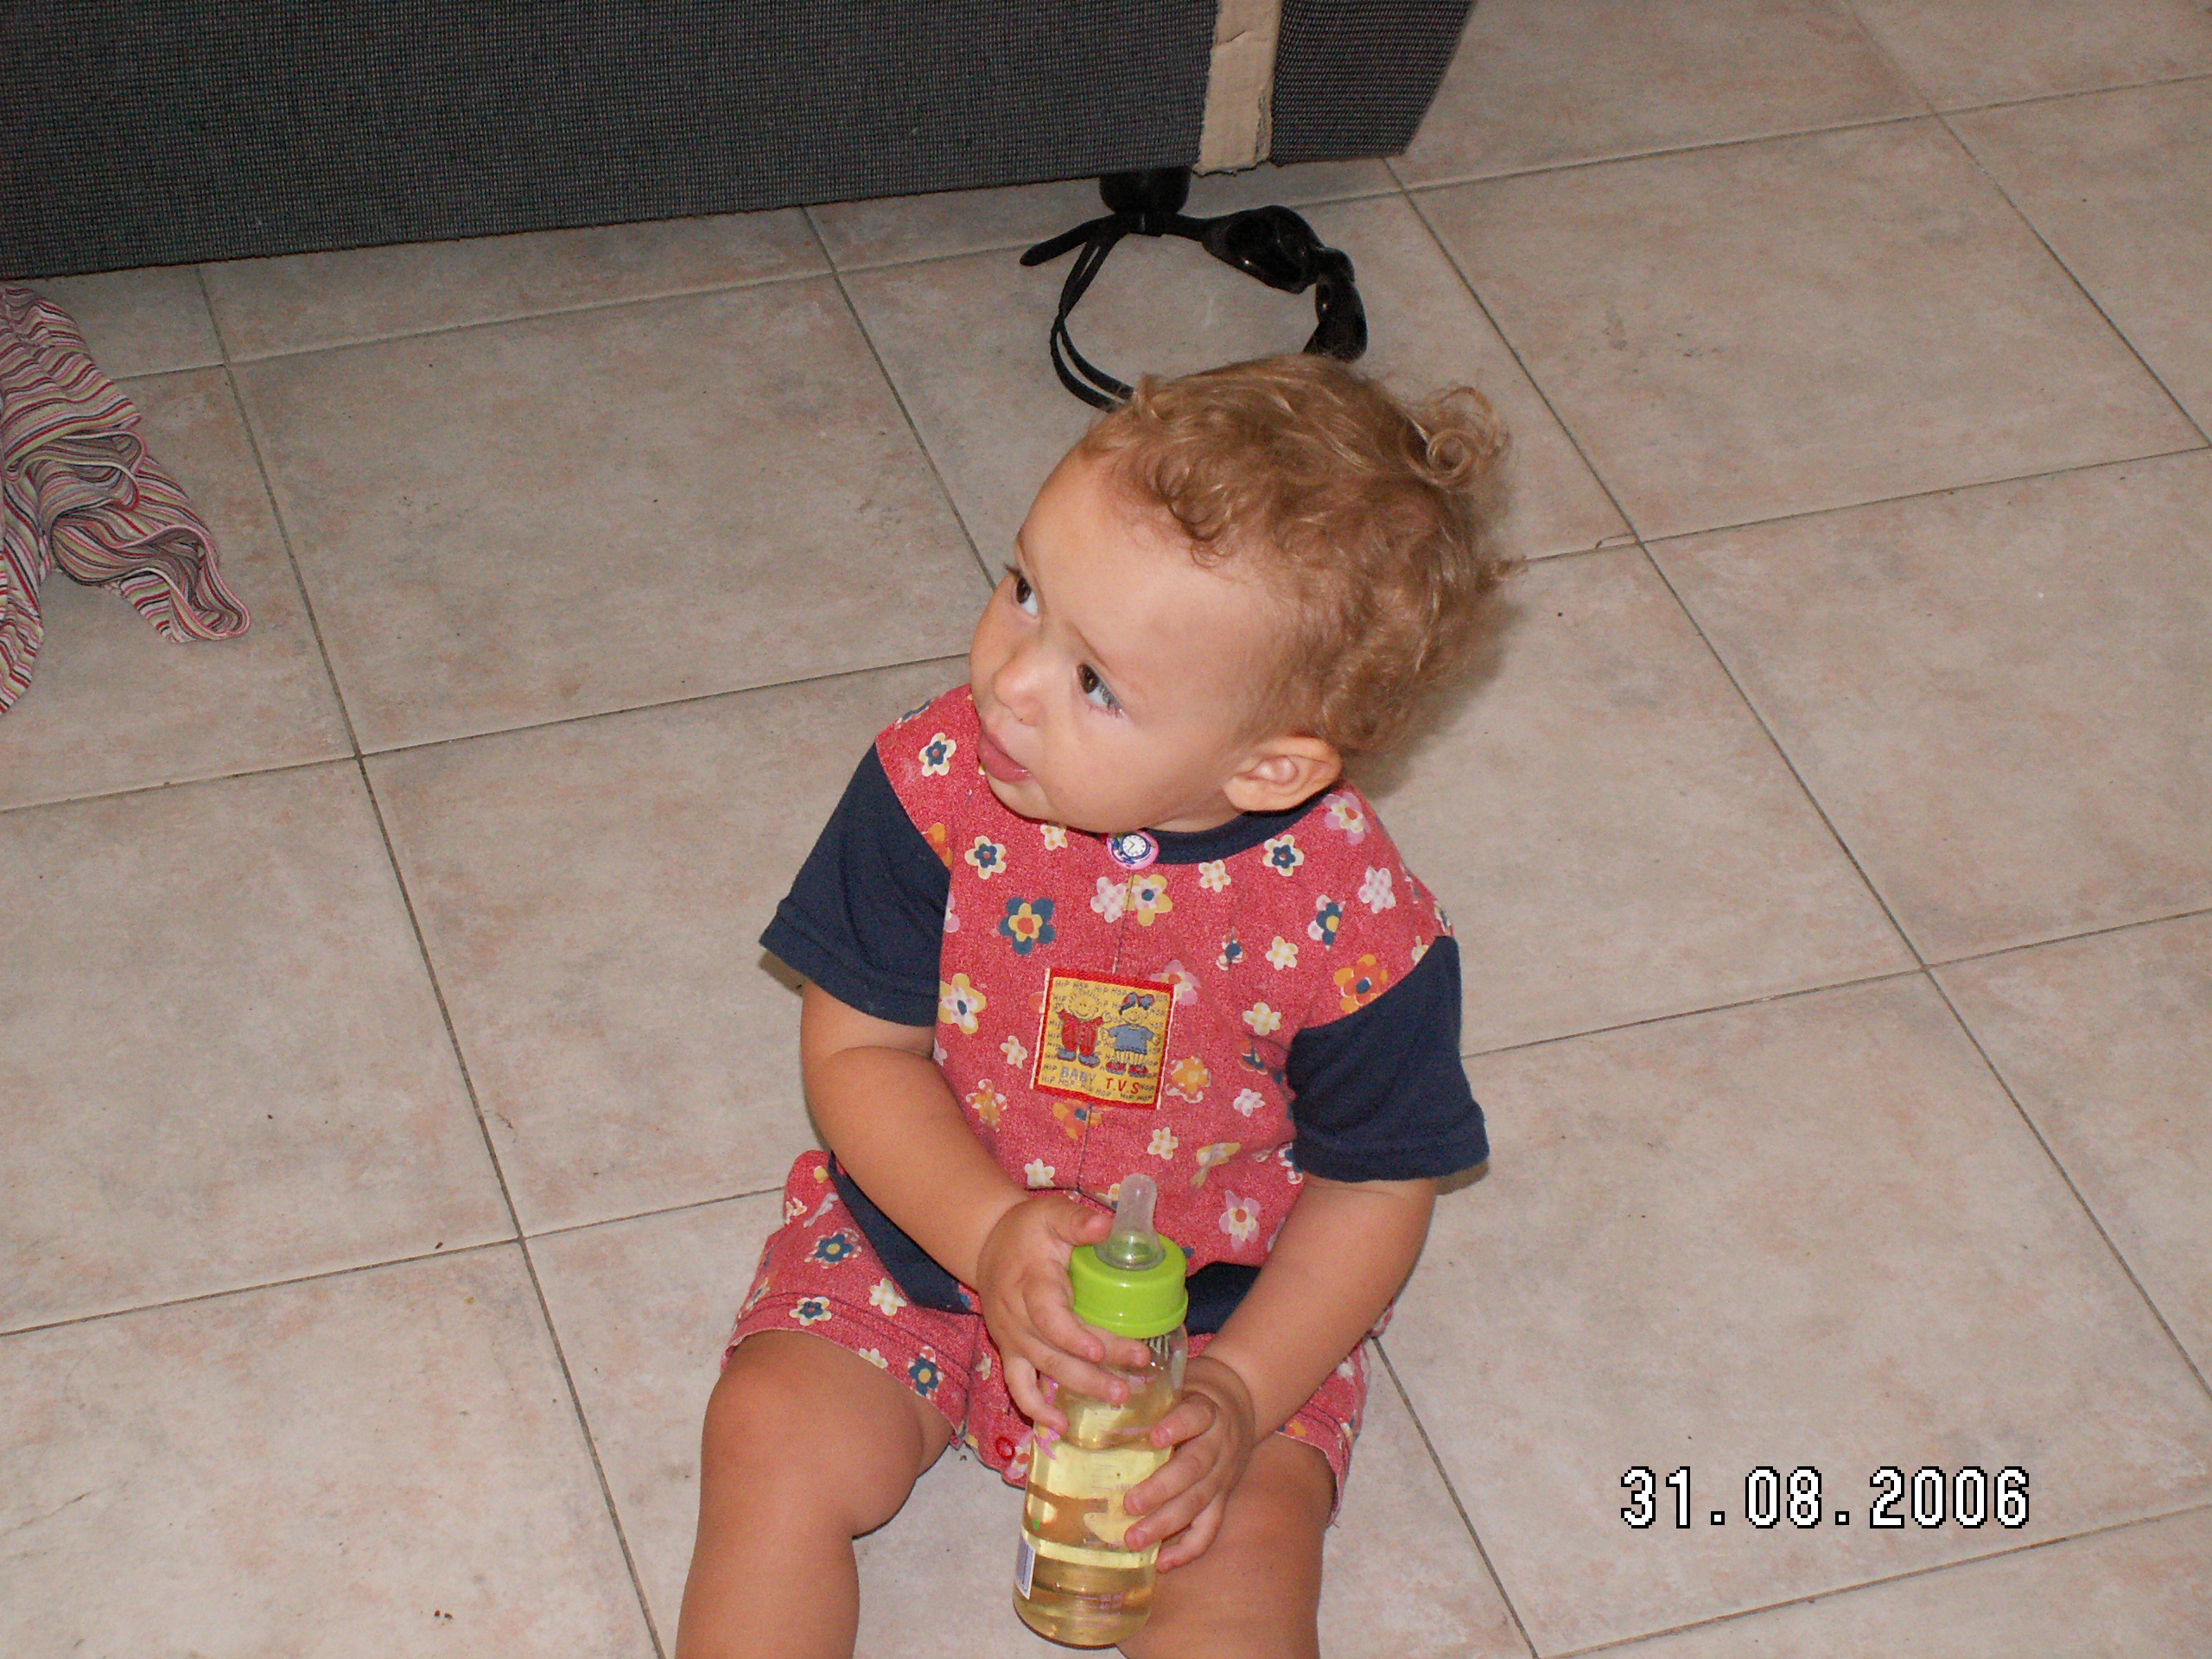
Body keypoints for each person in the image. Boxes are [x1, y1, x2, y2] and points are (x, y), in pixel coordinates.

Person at [677, 355, 1513, 1659]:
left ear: (1270, 766)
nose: (1012, 681)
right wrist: (985, 1229)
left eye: (1097, 683)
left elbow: (1375, 1187)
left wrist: (1239, 1394)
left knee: (1241, 1566)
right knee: (770, 1438)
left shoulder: (1357, 934)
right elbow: (857, 1049)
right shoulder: (931, 788)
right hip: (921, 1230)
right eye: (1025, 592)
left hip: (1214, 1318)